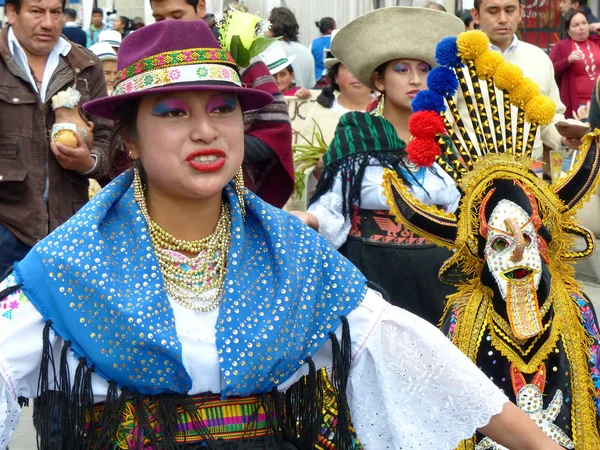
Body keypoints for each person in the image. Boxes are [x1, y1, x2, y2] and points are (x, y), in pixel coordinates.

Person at [0, 18, 565, 450]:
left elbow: (408, 352)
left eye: (223, 110)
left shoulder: (293, 256)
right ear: (129, 138)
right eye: (173, 113)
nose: (205, 131)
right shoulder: (71, 264)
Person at [383, 28, 600, 446]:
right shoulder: (462, 318)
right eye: (500, 243)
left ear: (544, 241)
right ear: (480, 252)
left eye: (526, 238)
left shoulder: (575, 308)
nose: (518, 255)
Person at [292, 7, 462, 326]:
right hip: (370, 283)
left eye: (424, 70)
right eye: (401, 69)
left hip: (441, 282)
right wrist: (309, 219)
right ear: (378, 79)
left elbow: (462, 212)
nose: (415, 79)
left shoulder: (445, 140)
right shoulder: (356, 134)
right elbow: (333, 207)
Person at [148, 0, 295, 209]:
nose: (167, 25)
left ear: (200, 7)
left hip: (232, 193)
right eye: (159, 18)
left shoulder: (232, 51)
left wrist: (223, 149)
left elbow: (276, 126)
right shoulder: (151, 59)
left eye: (177, 15)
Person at [0, 0, 111, 275]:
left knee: (61, 315)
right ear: (12, 12)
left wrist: (89, 162)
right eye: (37, 11)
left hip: (68, 224)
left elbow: (108, 134)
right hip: (8, 222)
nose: (48, 23)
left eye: (56, 12)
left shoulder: (84, 65)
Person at [471, 0, 577, 156]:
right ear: (476, 15)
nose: (502, 19)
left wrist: (564, 137)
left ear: (520, 12)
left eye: (509, 10)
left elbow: (549, 118)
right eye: (493, 11)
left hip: (528, 172)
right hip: (475, 173)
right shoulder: (461, 62)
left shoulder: (539, 58)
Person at [550, 9, 600, 118]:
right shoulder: (562, 46)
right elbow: (549, 71)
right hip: (578, 106)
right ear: (568, 30)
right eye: (576, 25)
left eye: (584, 23)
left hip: (598, 103)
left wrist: (596, 27)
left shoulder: (596, 42)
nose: (581, 27)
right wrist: (567, 61)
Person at [267, 7, 316, 89]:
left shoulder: (265, 51)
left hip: (273, 100)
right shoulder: (306, 51)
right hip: (300, 100)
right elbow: (310, 85)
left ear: (271, 27)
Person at [311, 17, 335, 82]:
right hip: (333, 78)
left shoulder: (313, 43)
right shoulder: (336, 41)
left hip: (317, 79)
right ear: (330, 30)